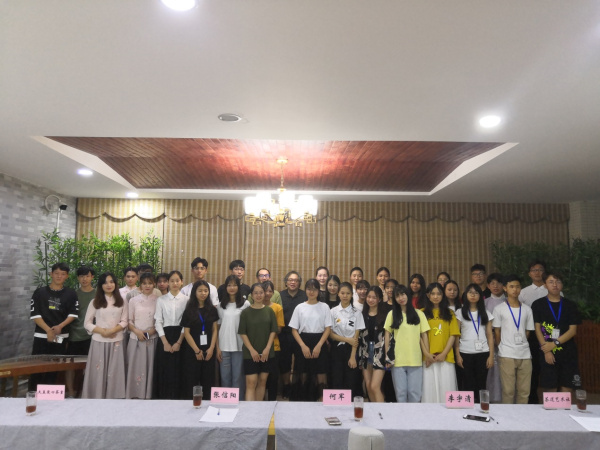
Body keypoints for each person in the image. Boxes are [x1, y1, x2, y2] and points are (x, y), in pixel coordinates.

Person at [29, 262, 79, 390]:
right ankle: (33, 395)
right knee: (36, 367)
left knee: (54, 369)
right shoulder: (39, 292)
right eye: (56, 273)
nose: (59, 276)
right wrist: (48, 330)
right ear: (51, 274)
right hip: (41, 336)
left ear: (67, 276)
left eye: (63, 274)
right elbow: (35, 315)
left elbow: (73, 314)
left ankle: (48, 397)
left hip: (61, 336)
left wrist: (60, 326)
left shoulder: (71, 293)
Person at [532, 271, 582, 394]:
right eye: (551, 282)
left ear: (562, 285)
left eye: (558, 281)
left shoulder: (570, 305)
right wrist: (546, 350)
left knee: (567, 387)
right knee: (550, 388)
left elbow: (573, 330)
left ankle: (565, 407)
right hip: (547, 352)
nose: (555, 285)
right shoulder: (538, 304)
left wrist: (554, 344)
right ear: (545, 285)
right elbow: (537, 328)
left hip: (568, 352)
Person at [81, 272, 127, 399]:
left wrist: (112, 331)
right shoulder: (94, 302)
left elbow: (124, 321)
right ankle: (96, 397)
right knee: (98, 371)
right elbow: (87, 323)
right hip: (99, 342)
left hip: (116, 342)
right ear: (101, 285)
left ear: (116, 284)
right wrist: (103, 332)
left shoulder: (122, 301)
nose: (109, 285)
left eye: (111, 282)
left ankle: (115, 399)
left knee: (114, 371)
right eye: (105, 282)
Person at [384, 284, 430, 402]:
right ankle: (402, 415)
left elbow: (424, 335)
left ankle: (414, 415)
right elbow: (387, 335)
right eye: (397, 296)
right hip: (398, 361)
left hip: (415, 359)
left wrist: (427, 356)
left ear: (408, 295)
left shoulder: (419, 314)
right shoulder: (392, 314)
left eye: (403, 294)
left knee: (415, 394)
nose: (401, 298)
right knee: (401, 394)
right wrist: (387, 356)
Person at [492, 275, 534, 404]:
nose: (515, 290)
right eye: (511, 287)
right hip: (506, 354)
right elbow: (497, 331)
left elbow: (528, 331)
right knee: (508, 391)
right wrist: (502, 346)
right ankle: (508, 416)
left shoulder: (527, 309)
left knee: (524, 391)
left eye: (517, 287)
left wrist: (520, 343)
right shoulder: (499, 309)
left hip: (525, 354)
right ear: (505, 288)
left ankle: (522, 415)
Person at [289, 279, 332, 401]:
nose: (311, 292)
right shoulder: (299, 307)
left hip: (320, 342)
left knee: (321, 373)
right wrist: (303, 346)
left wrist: (319, 345)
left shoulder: (324, 307)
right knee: (303, 373)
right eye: (309, 289)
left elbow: (328, 329)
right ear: (305, 290)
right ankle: (303, 402)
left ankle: (321, 401)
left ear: (318, 291)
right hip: (303, 343)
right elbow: (294, 330)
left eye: (314, 289)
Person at [455, 284, 494, 403]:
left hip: (483, 352)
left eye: (476, 292)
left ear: (480, 296)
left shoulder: (486, 312)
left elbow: (489, 335)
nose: (473, 295)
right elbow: (456, 335)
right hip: (465, 352)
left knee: (481, 383)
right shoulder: (460, 312)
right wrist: (457, 355)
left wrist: (491, 356)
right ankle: (468, 408)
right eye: (470, 292)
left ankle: (481, 408)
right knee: (467, 384)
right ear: (465, 295)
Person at [238, 283, 278, 401]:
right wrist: (252, 350)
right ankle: (250, 410)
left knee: (262, 381)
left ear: (264, 294)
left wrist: (267, 349)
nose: (259, 295)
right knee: (251, 383)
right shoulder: (245, 312)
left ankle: (259, 409)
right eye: (256, 293)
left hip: (267, 352)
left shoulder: (269, 311)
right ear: (251, 295)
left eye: (261, 292)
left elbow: (273, 331)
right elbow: (242, 333)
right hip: (250, 353)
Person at [421, 282, 460, 403]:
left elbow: (453, 335)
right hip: (428, 358)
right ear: (428, 295)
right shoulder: (421, 313)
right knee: (429, 392)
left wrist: (444, 354)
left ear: (443, 295)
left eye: (438, 294)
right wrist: (427, 354)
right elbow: (420, 336)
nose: (435, 296)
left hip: (445, 357)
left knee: (446, 392)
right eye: (432, 294)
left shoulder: (450, 313)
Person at [181, 280, 219, 401]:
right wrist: (197, 350)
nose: (203, 293)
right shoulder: (189, 310)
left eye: (206, 291)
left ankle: (208, 404)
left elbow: (214, 330)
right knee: (192, 379)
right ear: (194, 292)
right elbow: (186, 333)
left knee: (208, 380)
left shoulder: (212, 310)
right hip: (193, 350)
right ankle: (192, 405)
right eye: (200, 291)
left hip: (209, 350)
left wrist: (212, 348)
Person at [153, 270, 188, 399]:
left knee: (181, 368)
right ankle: (164, 398)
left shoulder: (187, 300)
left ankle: (180, 398)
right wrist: (165, 343)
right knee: (165, 369)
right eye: (172, 281)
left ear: (182, 282)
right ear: (168, 282)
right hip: (165, 337)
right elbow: (158, 321)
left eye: (177, 280)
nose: (174, 283)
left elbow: (187, 323)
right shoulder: (161, 300)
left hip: (182, 337)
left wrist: (179, 342)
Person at [216, 274, 250, 399]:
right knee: (225, 377)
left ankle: (238, 402)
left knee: (237, 378)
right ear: (225, 287)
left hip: (239, 346)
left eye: (235, 285)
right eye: (229, 285)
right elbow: (217, 328)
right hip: (223, 346)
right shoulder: (221, 305)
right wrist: (217, 348)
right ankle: (226, 403)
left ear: (239, 287)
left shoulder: (245, 304)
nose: (232, 288)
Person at [126, 272, 158, 399]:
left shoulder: (159, 300)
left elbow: (159, 321)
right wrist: (137, 332)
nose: (147, 286)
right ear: (140, 285)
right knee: (135, 367)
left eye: (150, 283)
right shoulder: (133, 300)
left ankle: (148, 395)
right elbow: (129, 321)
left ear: (154, 284)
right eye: (144, 283)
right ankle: (134, 394)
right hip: (136, 338)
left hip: (152, 339)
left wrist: (149, 333)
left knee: (150, 368)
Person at [330, 282, 365, 397]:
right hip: (336, 349)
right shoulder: (333, 311)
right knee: (337, 378)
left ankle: (350, 406)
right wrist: (346, 339)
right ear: (338, 294)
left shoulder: (357, 313)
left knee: (351, 380)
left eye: (348, 293)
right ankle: (337, 407)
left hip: (351, 349)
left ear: (351, 295)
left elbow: (356, 337)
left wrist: (352, 357)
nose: (345, 296)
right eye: (342, 293)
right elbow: (330, 334)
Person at [66, 266, 96, 398]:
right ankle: (71, 391)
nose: (84, 279)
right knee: (70, 365)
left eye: (87, 276)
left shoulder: (98, 294)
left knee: (91, 365)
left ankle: (87, 392)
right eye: (82, 276)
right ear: (78, 278)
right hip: (74, 335)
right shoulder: (73, 294)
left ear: (92, 277)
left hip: (92, 335)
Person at [358, 286, 390, 403]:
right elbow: (359, 337)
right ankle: (373, 409)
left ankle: (382, 411)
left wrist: (388, 356)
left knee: (375, 386)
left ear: (380, 299)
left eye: (374, 297)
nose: (371, 300)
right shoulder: (362, 314)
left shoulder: (385, 315)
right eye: (369, 297)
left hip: (380, 352)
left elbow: (388, 337)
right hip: (366, 352)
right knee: (368, 385)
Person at [279, 271, 307, 399]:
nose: (293, 282)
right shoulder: (280, 295)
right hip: (284, 334)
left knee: (300, 362)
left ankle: (298, 387)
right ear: (286, 282)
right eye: (290, 280)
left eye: (295, 280)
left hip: (300, 335)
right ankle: (286, 386)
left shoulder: (304, 295)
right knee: (284, 362)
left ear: (299, 283)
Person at [483, 272, 505, 403]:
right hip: (488, 342)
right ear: (488, 286)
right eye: (492, 283)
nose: (495, 286)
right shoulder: (484, 303)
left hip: (505, 342)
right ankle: (490, 398)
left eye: (498, 283)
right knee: (491, 370)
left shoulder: (510, 301)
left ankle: (504, 398)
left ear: (504, 285)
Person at [262, 280, 285, 401]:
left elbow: (279, 328)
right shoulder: (254, 307)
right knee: (260, 377)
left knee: (273, 377)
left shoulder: (277, 307)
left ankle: (272, 401)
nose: (267, 293)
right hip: (257, 347)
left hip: (274, 347)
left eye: (270, 291)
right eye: (265, 291)